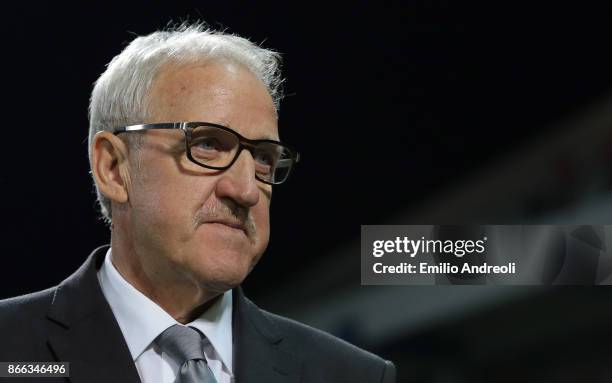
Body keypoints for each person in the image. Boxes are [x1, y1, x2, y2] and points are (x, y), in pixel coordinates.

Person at [0, 23, 396, 382]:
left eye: (262, 157)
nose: (245, 191)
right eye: (207, 145)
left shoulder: (352, 375)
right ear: (114, 168)